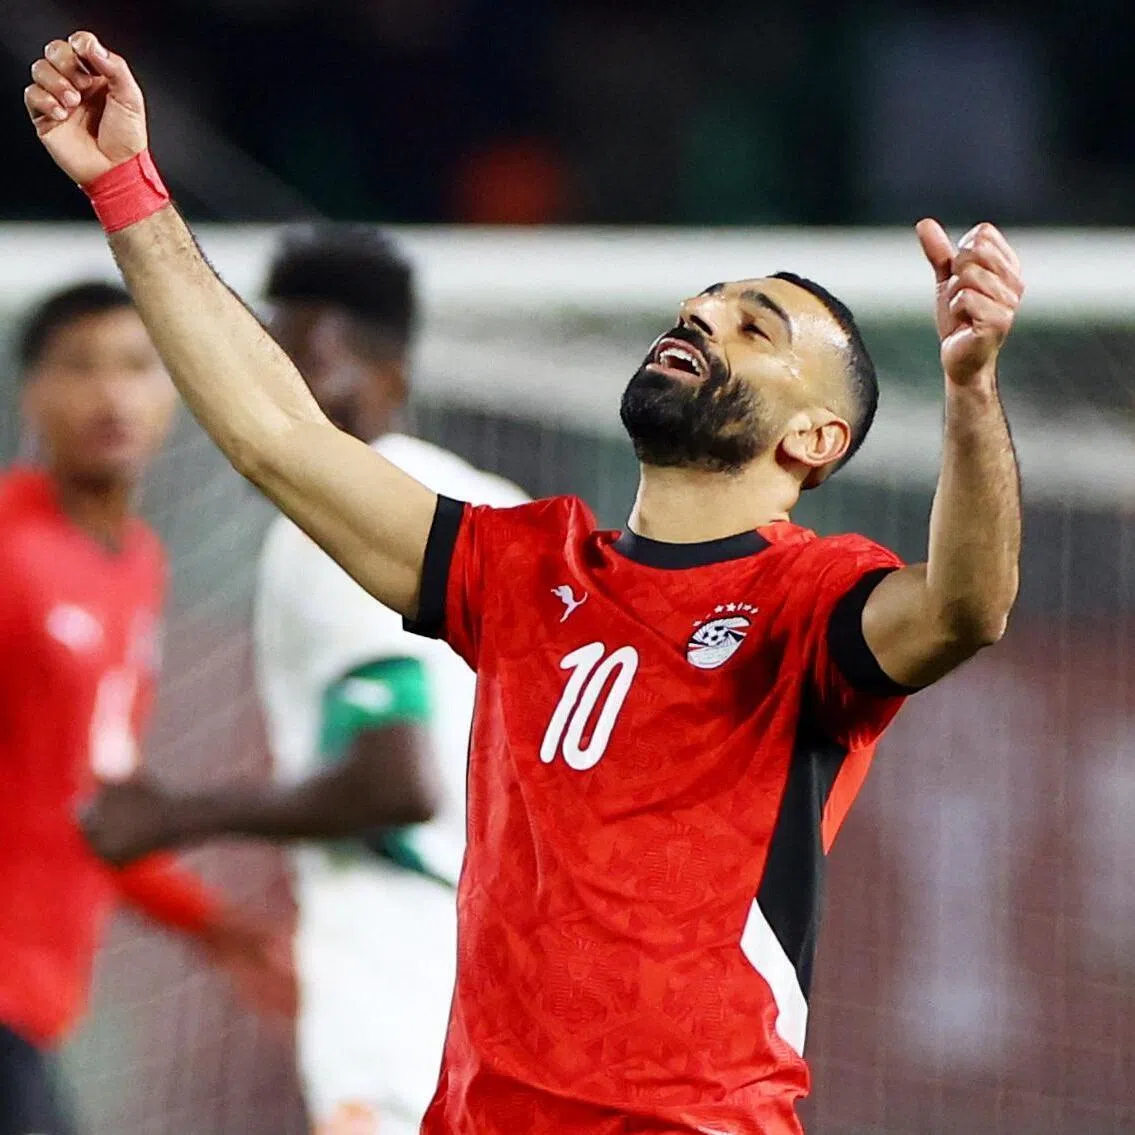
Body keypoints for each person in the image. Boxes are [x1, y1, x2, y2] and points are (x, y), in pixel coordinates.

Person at [25, 32, 1023, 1135]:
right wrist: (125, 183)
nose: (702, 319)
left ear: (814, 437)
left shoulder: (811, 599)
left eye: (754, 326)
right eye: (701, 304)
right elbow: (278, 438)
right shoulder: (522, 567)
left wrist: (970, 393)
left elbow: (964, 607)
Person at [83, 226, 528, 1135]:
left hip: (402, 956)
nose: (274, 392)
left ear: (389, 383)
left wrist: (177, 814)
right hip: (527, 963)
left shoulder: (343, 526)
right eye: (265, 359)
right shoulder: (500, 513)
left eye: (306, 365)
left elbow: (395, 780)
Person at [0, 280, 295, 1135]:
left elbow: (92, 804)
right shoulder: (11, 553)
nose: (112, 393)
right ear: (33, 391)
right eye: (82, 366)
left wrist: (217, 925)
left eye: (136, 366)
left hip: (37, 998)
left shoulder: (138, 567)